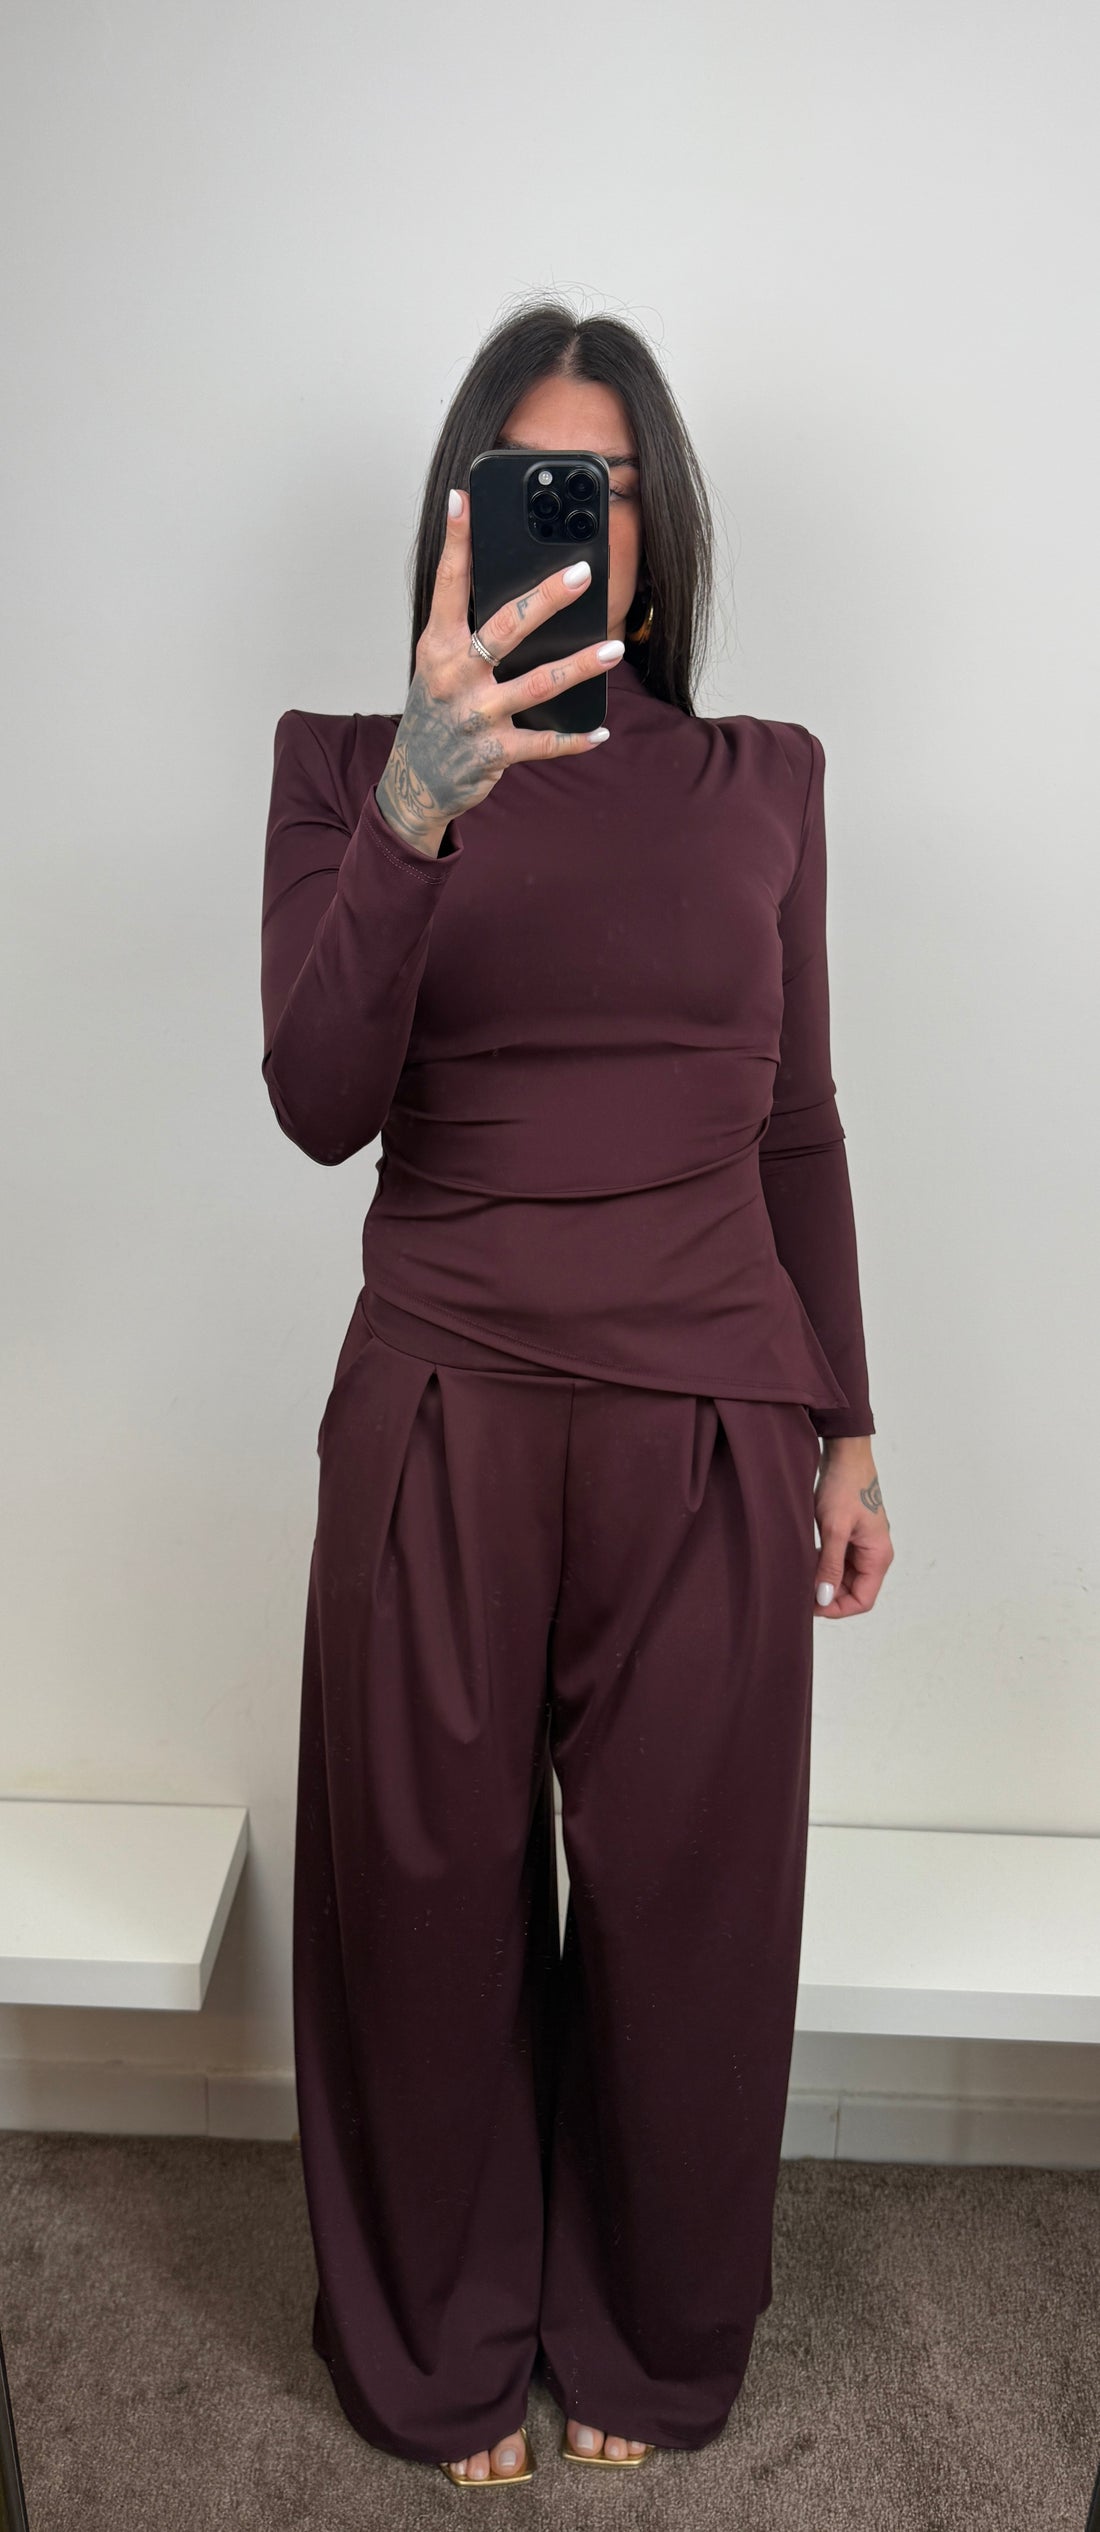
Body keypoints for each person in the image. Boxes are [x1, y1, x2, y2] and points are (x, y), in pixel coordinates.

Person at [259, 301, 894, 2488]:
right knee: (423, 1908)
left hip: (713, 1424)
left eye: (609, 489)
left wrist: (849, 1427)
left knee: (686, 1926)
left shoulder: (765, 781)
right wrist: (415, 815)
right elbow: (315, 1103)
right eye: (534, 484)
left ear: (656, 530)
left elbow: (798, 1124)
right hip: (439, 1405)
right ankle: (438, 2343)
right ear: (460, 520)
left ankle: (644, 2325)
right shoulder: (346, 772)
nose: (577, 522)